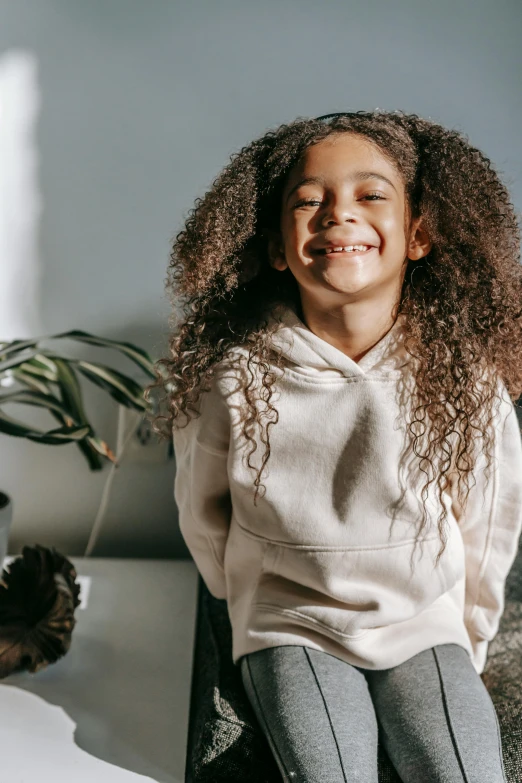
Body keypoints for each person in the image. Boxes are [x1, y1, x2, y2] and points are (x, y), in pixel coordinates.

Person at [151, 111, 522, 782]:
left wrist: (470, 634)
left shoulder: (464, 373)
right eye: (309, 200)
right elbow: (201, 511)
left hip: (423, 625)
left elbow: (487, 523)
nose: (337, 215)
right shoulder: (233, 375)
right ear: (273, 246)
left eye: (370, 194)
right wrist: (247, 603)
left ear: (418, 235)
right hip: (289, 624)